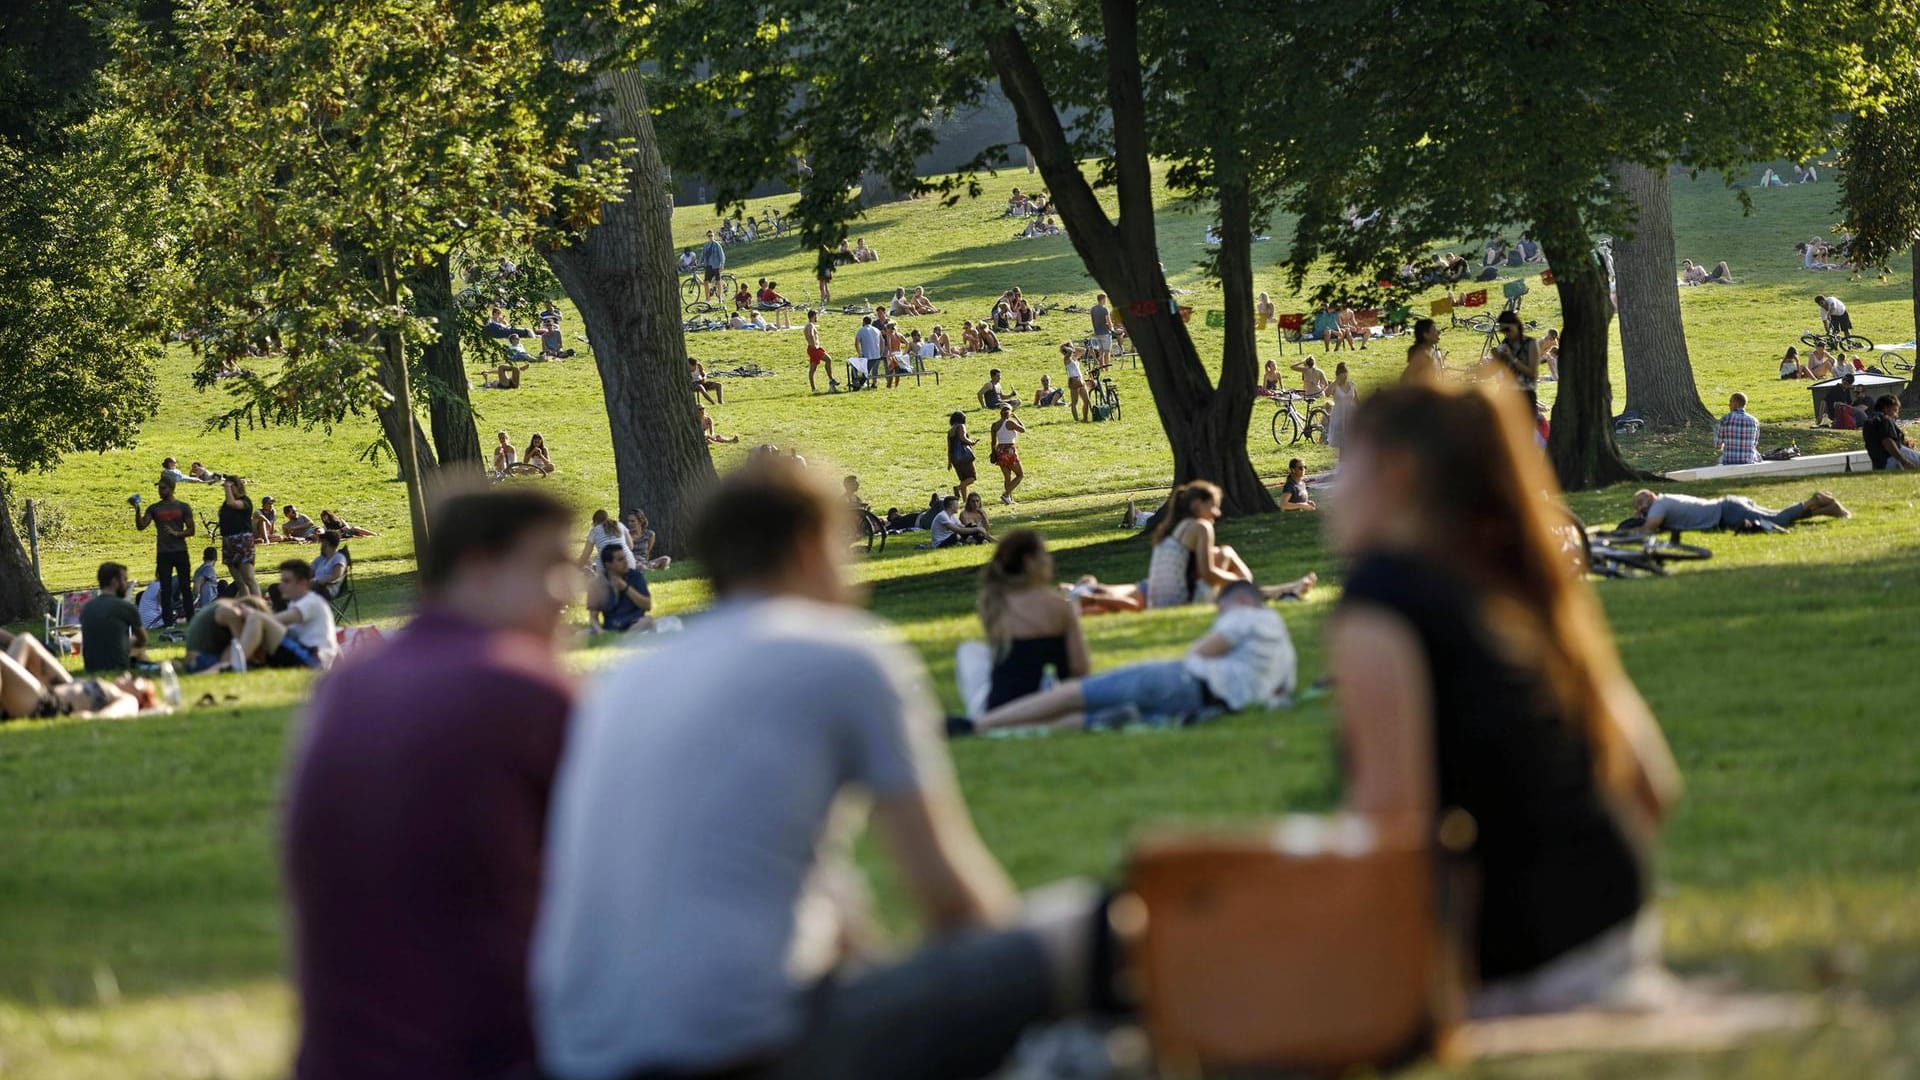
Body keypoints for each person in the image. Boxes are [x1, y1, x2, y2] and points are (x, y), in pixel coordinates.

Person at [532, 459, 1109, 1080]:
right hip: (747, 1051)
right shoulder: (843, 654)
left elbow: (801, 892)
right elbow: (950, 899)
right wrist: (1010, 985)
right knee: (1094, 931)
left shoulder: (633, 678)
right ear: (812, 546)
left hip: (583, 1054)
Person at [1328, 383, 1686, 1015]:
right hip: (1616, 935)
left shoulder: (1381, 597)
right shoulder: (1511, 583)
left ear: (1397, 474)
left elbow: (1393, 836)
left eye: (1343, 463)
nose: (1332, 488)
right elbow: (1652, 790)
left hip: (1518, 961)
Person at [284, 491, 577, 1080]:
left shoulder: (350, 686)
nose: (571, 593)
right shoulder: (522, 689)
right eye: (549, 568)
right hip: (484, 1055)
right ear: (479, 569)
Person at [972, 579, 1295, 732]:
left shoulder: (1248, 615)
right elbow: (1281, 692)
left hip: (1184, 682)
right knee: (1091, 717)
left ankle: (976, 725)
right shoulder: (1286, 654)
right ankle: (1013, 729)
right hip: (1206, 707)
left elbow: (1201, 651)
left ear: (1240, 601)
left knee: (1076, 693)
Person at [976, 531, 1092, 710]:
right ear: (1030, 562)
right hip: (1051, 704)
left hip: (1001, 705)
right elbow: (1080, 668)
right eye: (1044, 554)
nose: (1049, 559)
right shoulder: (1060, 607)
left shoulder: (993, 603)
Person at [1, 632, 152, 721]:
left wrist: (91, 718)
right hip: (61, 685)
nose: (126, 674)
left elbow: (110, 715)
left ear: (141, 696)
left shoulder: (129, 700)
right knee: (25, 640)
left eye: (133, 679)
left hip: (46, 703)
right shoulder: (111, 689)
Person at [1627, 487, 1849, 535]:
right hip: (1729, 505)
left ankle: (1814, 499)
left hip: (1727, 511)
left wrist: (1626, 533)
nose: (1639, 507)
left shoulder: (1659, 505)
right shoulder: (1665, 500)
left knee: (1777, 519)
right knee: (1777, 516)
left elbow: (1649, 529)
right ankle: (1829, 509)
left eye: (1640, 502)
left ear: (1650, 497)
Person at [134, 478, 197, 626]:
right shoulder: (154, 508)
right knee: (165, 589)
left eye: (163, 488)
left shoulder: (183, 507)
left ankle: (192, 620)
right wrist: (137, 508)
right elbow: (141, 526)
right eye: (159, 488)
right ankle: (168, 623)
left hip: (180, 551)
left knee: (185, 587)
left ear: (171, 488)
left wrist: (176, 534)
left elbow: (191, 530)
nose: (160, 491)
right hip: (163, 553)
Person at [80, 562, 147, 673]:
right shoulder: (125, 607)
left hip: (90, 667)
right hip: (117, 665)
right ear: (114, 582)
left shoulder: (87, 607)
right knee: (139, 650)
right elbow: (143, 639)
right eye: (124, 580)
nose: (126, 584)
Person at [275, 559, 339, 669]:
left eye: (286, 581)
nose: (280, 586)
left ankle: (239, 666)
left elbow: (277, 621)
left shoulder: (311, 602)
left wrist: (255, 616)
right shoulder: (295, 602)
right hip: (306, 651)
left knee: (260, 621)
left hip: (315, 658)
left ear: (303, 583)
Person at [587, 544, 654, 633]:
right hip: (610, 627)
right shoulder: (597, 585)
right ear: (608, 564)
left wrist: (626, 588)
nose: (626, 562)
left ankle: (624, 638)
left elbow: (647, 605)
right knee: (581, 635)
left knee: (649, 621)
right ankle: (618, 638)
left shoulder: (636, 576)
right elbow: (593, 618)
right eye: (620, 560)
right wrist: (601, 632)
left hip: (635, 624)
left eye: (625, 558)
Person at [1486, 310, 1541, 407]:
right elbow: (1493, 371)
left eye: (1507, 329)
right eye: (1503, 330)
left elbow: (1532, 373)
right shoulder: (1505, 343)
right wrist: (1496, 359)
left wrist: (1511, 357)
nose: (1506, 334)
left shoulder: (1530, 343)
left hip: (1524, 393)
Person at [219, 476, 261, 597]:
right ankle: (246, 606)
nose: (228, 490)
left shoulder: (245, 501)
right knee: (239, 582)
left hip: (242, 540)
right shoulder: (225, 505)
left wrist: (227, 487)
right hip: (228, 541)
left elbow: (233, 503)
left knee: (249, 578)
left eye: (231, 486)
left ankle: (258, 606)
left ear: (237, 487)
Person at [1863, 395, 1920, 470]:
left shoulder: (1868, 422)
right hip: (1891, 459)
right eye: (1895, 410)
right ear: (1886, 408)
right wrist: (1904, 462)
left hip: (1880, 465)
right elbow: (1887, 442)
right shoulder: (1885, 419)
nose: (1896, 415)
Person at [990, 404, 1026, 505]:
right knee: (1020, 475)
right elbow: (1023, 429)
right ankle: (1006, 495)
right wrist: (1017, 418)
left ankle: (1009, 500)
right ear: (1009, 412)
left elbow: (993, 442)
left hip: (999, 450)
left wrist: (993, 452)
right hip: (1009, 450)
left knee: (1007, 477)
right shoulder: (1010, 422)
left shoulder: (995, 425)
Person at [1714, 393, 1762, 466]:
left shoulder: (1725, 419)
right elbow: (1754, 444)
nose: (1729, 405)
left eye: (1730, 402)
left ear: (1735, 404)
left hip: (1729, 460)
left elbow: (1718, 446)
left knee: (1720, 459)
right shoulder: (1754, 421)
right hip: (1748, 460)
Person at [1326, 361, 1358, 452]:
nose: (1344, 378)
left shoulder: (1351, 384)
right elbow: (1327, 393)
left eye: (1345, 375)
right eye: (1342, 375)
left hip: (1350, 414)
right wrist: (1336, 381)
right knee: (1342, 445)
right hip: (1338, 416)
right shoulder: (1335, 385)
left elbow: (1357, 400)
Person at [804, 309, 838, 393]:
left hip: (811, 348)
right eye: (816, 316)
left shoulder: (807, 325)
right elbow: (811, 334)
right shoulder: (811, 325)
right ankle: (831, 379)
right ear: (813, 316)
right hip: (814, 348)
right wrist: (814, 344)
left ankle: (813, 389)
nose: (817, 317)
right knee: (828, 359)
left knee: (812, 369)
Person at [947, 410, 978, 502]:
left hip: (955, 458)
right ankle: (958, 488)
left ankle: (965, 500)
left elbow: (949, 447)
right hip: (964, 456)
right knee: (972, 478)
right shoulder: (961, 426)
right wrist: (972, 442)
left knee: (963, 479)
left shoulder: (950, 431)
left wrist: (949, 462)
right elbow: (962, 437)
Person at [1403, 318, 1444, 385]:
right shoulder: (1422, 354)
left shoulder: (1432, 351)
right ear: (1426, 335)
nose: (1439, 332)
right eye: (1434, 329)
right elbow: (1405, 377)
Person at [310, 532, 348, 600]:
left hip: (328, 589)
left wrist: (317, 582)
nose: (321, 545)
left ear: (326, 543)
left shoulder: (339, 557)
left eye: (322, 542)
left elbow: (336, 576)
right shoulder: (320, 559)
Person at [699, 228, 726, 298]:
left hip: (716, 266)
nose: (710, 237)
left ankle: (720, 297)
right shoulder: (705, 245)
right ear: (707, 236)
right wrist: (698, 264)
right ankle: (707, 298)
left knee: (718, 281)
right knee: (706, 282)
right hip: (708, 266)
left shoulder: (717, 244)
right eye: (709, 236)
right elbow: (702, 255)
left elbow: (721, 255)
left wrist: (722, 264)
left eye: (712, 235)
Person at [1089, 292, 1113, 368]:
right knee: (1107, 352)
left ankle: (1101, 367)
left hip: (1097, 333)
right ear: (1102, 299)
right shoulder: (1105, 309)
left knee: (1101, 352)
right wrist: (1112, 328)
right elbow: (1108, 321)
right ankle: (1106, 368)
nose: (1106, 301)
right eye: (1105, 299)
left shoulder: (1093, 309)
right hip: (1105, 333)